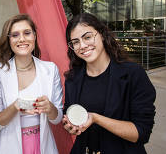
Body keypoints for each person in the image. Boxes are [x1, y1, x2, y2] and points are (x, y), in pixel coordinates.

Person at [62, 13, 156, 154]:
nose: (82, 46)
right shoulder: (73, 78)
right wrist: (70, 124)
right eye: (75, 42)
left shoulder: (133, 74)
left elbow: (141, 132)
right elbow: (69, 111)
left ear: (102, 34)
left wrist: (96, 118)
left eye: (87, 37)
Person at [0, 14, 63, 154]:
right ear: (8, 40)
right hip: (8, 147)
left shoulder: (50, 69)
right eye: (15, 35)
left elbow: (56, 119)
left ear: (34, 35)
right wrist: (16, 106)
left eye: (27, 33)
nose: (22, 39)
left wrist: (49, 107)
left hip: (43, 146)